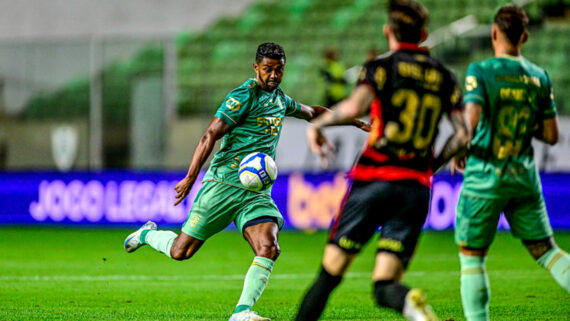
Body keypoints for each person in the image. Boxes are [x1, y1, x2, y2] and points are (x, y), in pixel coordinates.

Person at [123, 42, 369, 321]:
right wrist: (192, 176)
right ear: (256, 68)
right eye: (268, 69)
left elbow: (312, 112)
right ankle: (146, 234)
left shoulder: (280, 99)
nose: (274, 75)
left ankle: (241, 313)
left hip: (255, 193)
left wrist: (350, 118)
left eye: (279, 70)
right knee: (181, 251)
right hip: (222, 186)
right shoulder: (243, 96)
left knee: (269, 246)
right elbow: (210, 135)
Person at [295, 1, 468, 320]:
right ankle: (410, 307)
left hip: (374, 180)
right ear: (424, 34)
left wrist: (318, 126)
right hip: (415, 188)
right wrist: (433, 164)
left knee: (329, 276)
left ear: (388, 31)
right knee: (385, 284)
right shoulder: (444, 76)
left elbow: (353, 107)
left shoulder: (382, 67)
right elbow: (462, 136)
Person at [452, 4, 570, 321]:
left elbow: (471, 122)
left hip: (485, 177)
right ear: (525, 36)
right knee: (547, 251)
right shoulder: (539, 76)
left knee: (472, 257)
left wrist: (457, 150)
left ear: (494, 33)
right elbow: (551, 134)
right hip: (523, 178)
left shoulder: (481, 71)